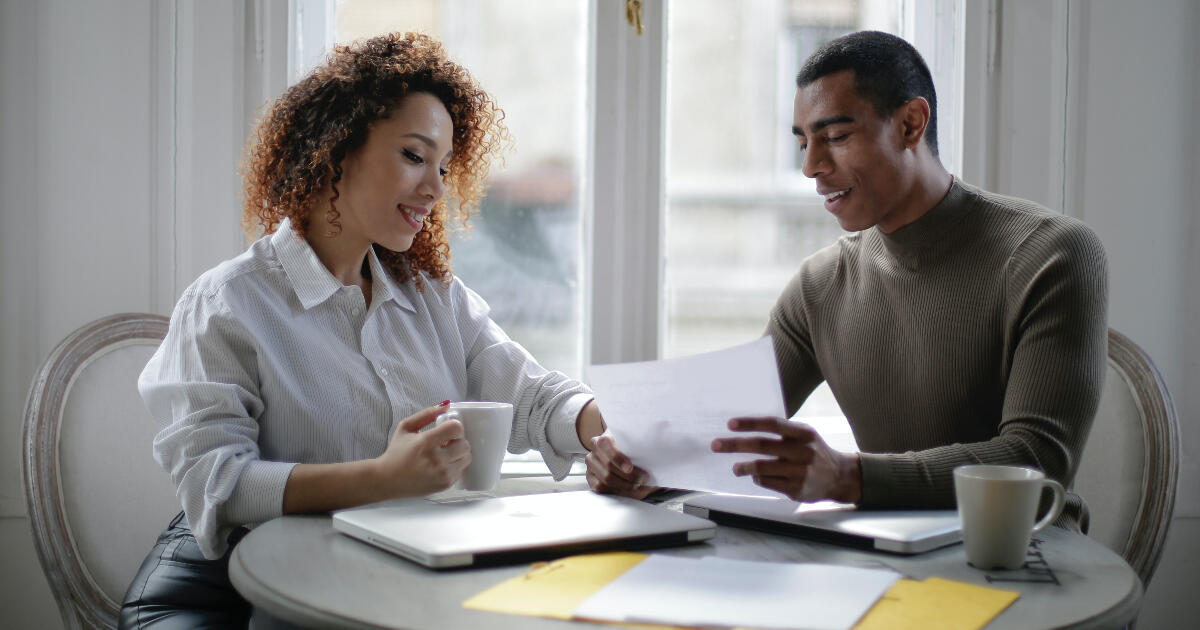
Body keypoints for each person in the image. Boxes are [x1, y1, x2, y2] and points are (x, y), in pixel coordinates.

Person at [120, 32, 605, 628]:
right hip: (255, 586)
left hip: (395, 581)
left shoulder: (430, 295)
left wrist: (612, 431)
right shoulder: (227, 304)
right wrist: (381, 478)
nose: (434, 189)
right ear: (337, 150)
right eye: (412, 155)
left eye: (444, 167)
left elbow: (533, 397)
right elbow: (218, 485)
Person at [586, 31, 1107, 532]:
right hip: (887, 559)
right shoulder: (821, 284)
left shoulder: (1051, 253)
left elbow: (1038, 458)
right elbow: (732, 438)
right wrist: (638, 470)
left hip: (1029, 558)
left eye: (835, 137)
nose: (813, 166)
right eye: (804, 143)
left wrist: (846, 476)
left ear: (910, 124)